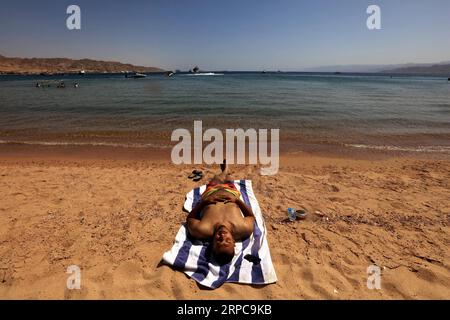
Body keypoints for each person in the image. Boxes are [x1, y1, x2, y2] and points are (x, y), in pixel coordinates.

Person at [186, 162, 255, 265]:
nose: (223, 236)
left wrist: (204, 202)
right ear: (234, 243)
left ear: (212, 244)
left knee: (216, 178)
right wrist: (237, 201)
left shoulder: (202, 229)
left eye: (219, 241)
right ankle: (226, 170)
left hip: (211, 191)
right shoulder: (244, 228)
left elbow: (190, 218)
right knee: (228, 178)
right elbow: (250, 216)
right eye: (227, 241)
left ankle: (224, 171)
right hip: (231, 192)